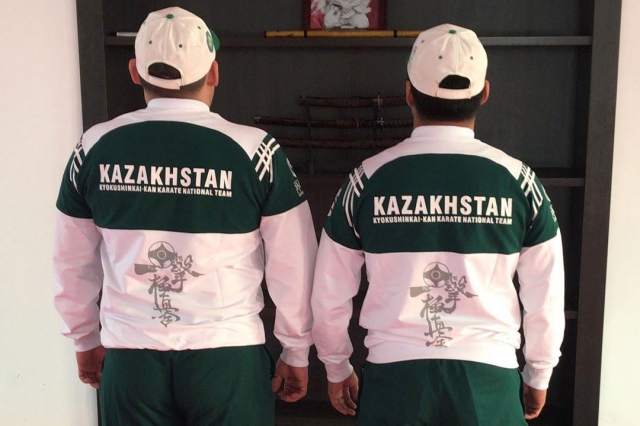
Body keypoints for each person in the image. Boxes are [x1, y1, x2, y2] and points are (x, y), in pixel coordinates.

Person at [53, 6, 317, 426]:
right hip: (227, 357)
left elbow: (70, 260)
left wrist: (84, 338)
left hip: (131, 357)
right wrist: (296, 349)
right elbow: (295, 264)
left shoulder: (93, 147)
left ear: (135, 72)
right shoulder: (256, 151)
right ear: (214, 73)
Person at [311, 23, 565, 425]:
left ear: (408, 93)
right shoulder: (519, 181)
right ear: (485, 93)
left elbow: (329, 289)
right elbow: (546, 292)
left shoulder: (366, 179)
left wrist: (336, 364)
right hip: (489, 379)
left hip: (394, 379)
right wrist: (539, 371)